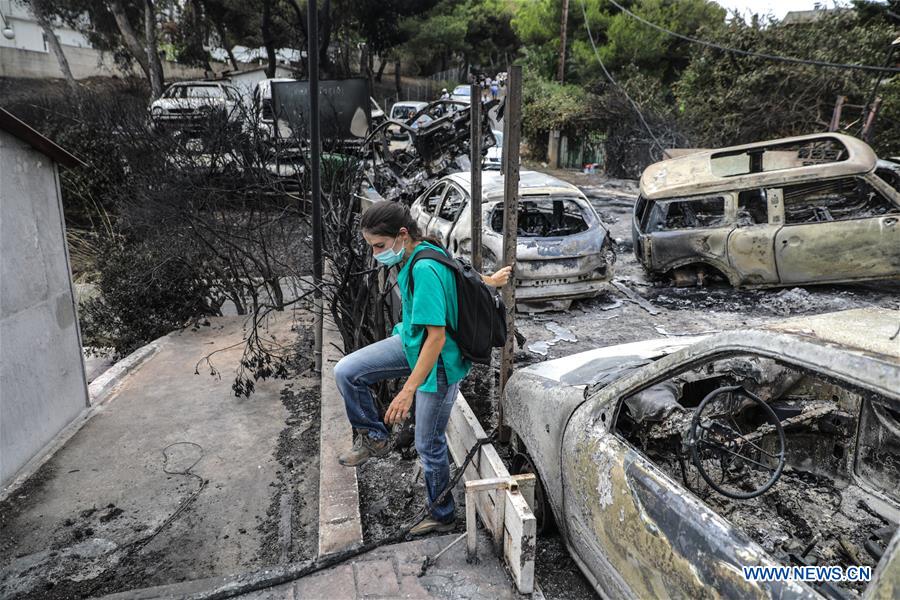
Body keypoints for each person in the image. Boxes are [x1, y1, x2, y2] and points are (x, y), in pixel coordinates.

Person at [333, 201, 512, 535]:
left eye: (379, 246)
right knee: (346, 371)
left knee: (428, 444)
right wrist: (491, 280)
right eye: (371, 247)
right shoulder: (424, 248)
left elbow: (436, 339)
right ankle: (375, 437)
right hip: (412, 344)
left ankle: (442, 515)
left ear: (401, 235)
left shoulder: (422, 268)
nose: (376, 255)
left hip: (438, 363)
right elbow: (460, 272)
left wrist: (406, 391)